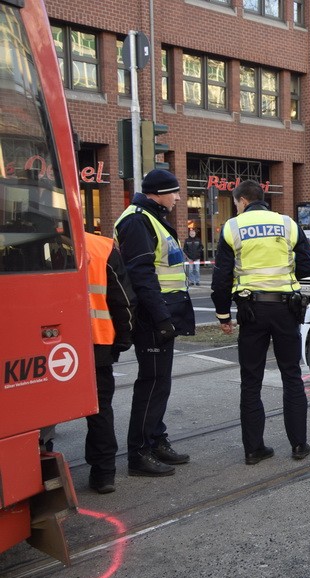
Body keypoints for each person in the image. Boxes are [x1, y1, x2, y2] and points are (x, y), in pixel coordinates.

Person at [211, 180, 310, 465]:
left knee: (251, 380)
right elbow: (308, 268)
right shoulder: (288, 225)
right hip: (285, 310)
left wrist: (223, 315)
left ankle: (253, 449)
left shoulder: (232, 227)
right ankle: (298, 445)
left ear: (242, 201)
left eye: (235, 203)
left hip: (251, 311)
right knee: (292, 376)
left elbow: (221, 279)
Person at [114, 169, 195, 477]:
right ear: (158, 193)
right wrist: (161, 317)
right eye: (174, 192)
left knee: (160, 383)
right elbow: (142, 275)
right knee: (151, 384)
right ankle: (140, 453)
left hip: (162, 313)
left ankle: (156, 439)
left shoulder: (150, 218)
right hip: (152, 316)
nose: (177, 197)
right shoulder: (138, 220)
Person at [83, 231, 136, 493]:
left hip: (47, 345)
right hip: (96, 341)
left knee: (43, 410)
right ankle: (104, 474)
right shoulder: (101, 246)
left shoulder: (29, 241)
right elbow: (123, 300)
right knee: (100, 408)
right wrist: (123, 339)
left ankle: (40, 466)